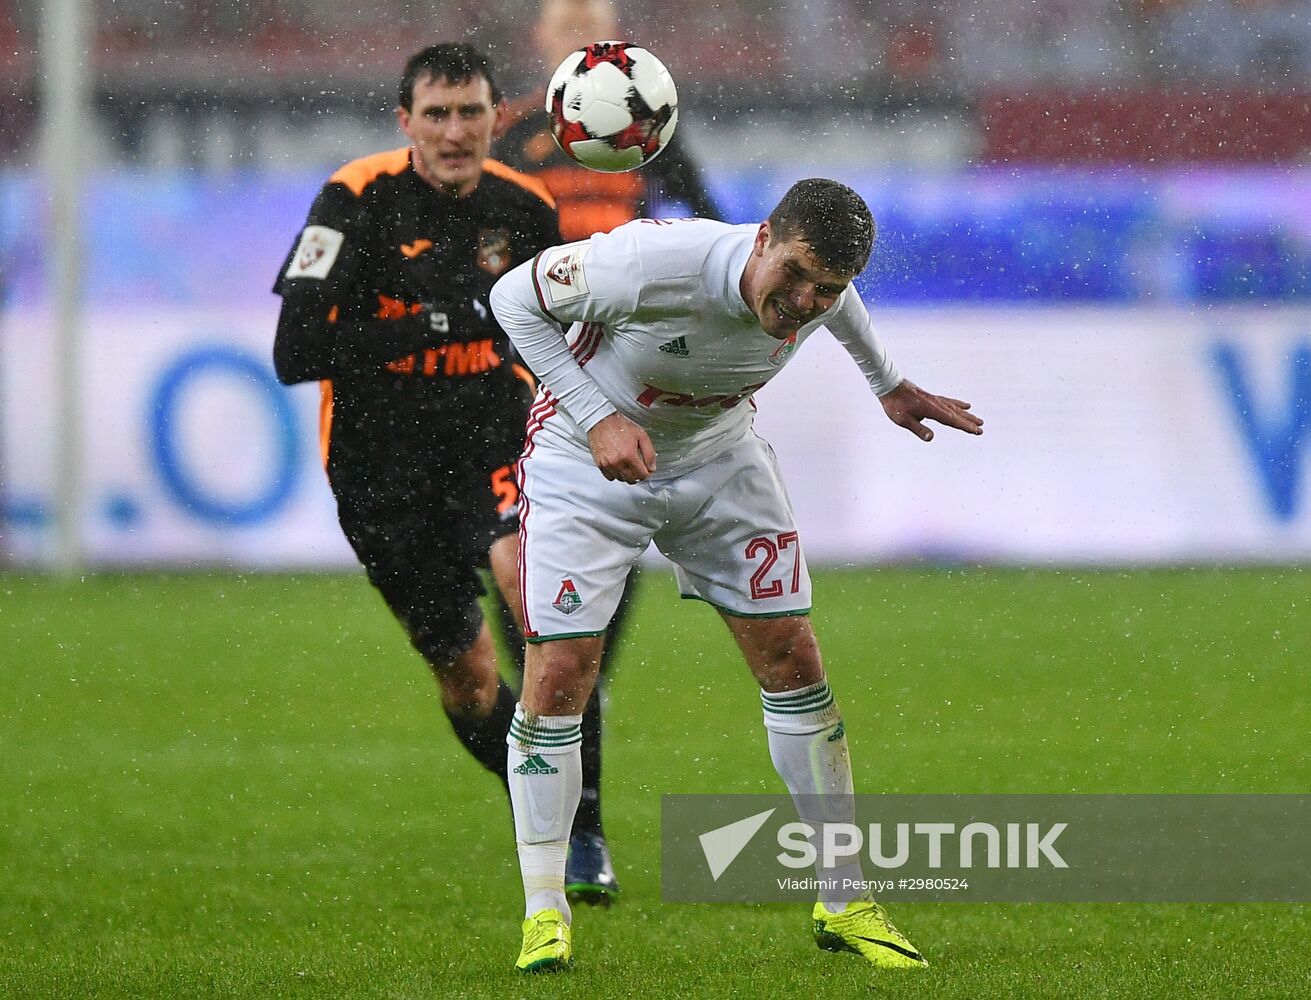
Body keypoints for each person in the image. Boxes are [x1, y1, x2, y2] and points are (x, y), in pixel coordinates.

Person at [489, 178, 984, 973]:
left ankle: (844, 897)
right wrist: (596, 413)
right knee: (560, 672)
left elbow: (839, 305)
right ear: (760, 240)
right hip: (586, 464)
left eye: (824, 287)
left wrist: (885, 381)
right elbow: (513, 298)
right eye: (791, 274)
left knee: (794, 657)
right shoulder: (651, 262)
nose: (801, 302)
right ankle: (544, 910)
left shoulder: (817, 292)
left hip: (719, 458)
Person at [271, 44, 559, 806]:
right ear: (406, 121)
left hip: (488, 429)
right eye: (437, 114)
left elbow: (559, 336)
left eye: (471, 112)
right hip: (378, 456)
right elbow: (295, 353)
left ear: (499, 118)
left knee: (530, 586)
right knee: (467, 680)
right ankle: (541, 803)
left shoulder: (526, 210)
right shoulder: (355, 198)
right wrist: (437, 321)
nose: (455, 131)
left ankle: (579, 807)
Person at [492, 0, 726, 904]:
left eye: (600, 19)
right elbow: (494, 269)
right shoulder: (512, 140)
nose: (586, 32)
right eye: (570, 20)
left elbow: (715, 241)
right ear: (542, 45)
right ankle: (571, 811)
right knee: (535, 616)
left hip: (624, 398)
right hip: (525, 395)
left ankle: (575, 818)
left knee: (577, 627)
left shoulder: (654, 141)